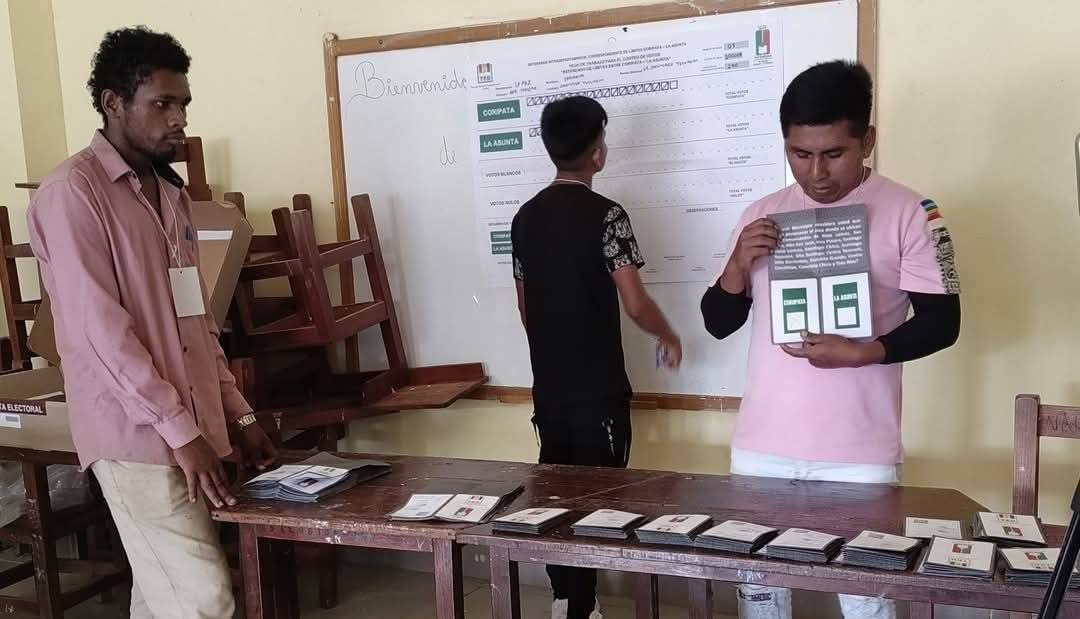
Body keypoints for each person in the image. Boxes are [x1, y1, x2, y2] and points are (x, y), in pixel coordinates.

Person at [27, 27, 278, 618]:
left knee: (163, 589)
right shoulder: (73, 193)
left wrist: (238, 413)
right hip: (135, 436)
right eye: (162, 103)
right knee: (203, 598)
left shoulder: (170, 195)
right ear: (114, 103)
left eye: (183, 104)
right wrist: (182, 433)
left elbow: (196, 324)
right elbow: (99, 333)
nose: (178, 119)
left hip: (184, 425)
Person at [700, 61, 961, 619]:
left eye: (834, 154)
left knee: (866, 601)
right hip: (762, 450)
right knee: (761, 598)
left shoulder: (914, 213)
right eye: (799, 154)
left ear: (867, 140)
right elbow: (718, 321)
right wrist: (736, 266)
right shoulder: (760, 214)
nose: (816, 173)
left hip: (858, 458)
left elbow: (944, 322)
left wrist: (865, 351)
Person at [511, 95, 682, 619]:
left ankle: (567, 600)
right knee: (599, 502)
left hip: (550, 391)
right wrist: (668, 334)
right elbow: (635, 303)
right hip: (600, 391)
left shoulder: (523, 218)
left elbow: (525, 308)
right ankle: (583, 607)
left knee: (556, 498)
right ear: (597, 153)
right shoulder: (608, 216)